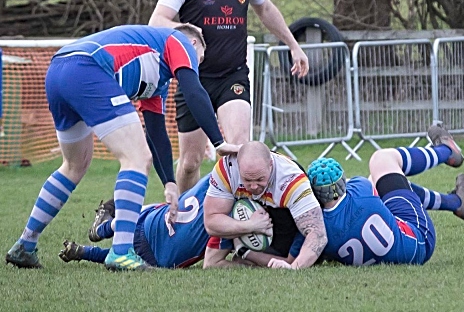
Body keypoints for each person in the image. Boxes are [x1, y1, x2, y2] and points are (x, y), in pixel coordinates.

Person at [5, 24, 239, 271]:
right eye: (198, 59)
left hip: (59, 70)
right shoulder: (179, 40)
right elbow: (194, 90)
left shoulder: (157, 79)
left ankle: (25, 246)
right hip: (87, 68)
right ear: (193, 45)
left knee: (74, 165)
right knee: (136, 159)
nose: (195, 65)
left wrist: (170, 183)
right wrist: (218, 141)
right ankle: (121, 253)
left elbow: (157, 132)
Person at [149, 0, 309, 193]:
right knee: (190, 162)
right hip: (193, 78)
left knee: (239, 151)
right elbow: (157, 22)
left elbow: (266, 10)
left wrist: (293, 45)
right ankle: (184, 218)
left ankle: (233, 215)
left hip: (233, 75)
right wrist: (187, 29)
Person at [268, 124, 464, 267]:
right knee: (381, 162)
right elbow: (372, 183)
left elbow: (292, 259)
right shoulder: (360, 189)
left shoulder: (312, 232)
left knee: (390, 183)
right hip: (419, 239)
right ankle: (445, 151)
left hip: (390, 247)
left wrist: (246, 254)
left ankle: (455, 202)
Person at [58, 176, 271, 269]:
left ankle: (102, 230)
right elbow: (213, 263)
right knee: (131, 256)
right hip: (163, 258)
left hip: (152, 221)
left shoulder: (216, 178)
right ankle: (89, 248)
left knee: (136, 222)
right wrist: (248, 261)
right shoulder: (225, 226)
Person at [204, 141, 327, 269]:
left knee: (296, 257)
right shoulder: (227, 169)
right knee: (210, 263)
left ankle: (248, 254)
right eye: (247, 180)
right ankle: (244, 252)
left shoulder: (291, 180)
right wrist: (250, 226)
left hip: (286, 217)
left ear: (271, 165)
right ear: (238, 166)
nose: (253, 186)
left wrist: (294, 268)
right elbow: (211, 222)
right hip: (254, 213)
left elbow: (318, 234)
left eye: (260, 179)